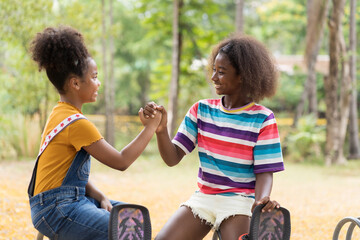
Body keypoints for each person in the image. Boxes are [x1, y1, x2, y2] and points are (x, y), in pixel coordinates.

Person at [144, 34, 285, 240]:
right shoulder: (201, 110)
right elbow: (172, 158)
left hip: (241, 200)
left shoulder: (263, 118)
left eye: (221, 72)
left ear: (243, 76)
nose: (213, 77)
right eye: (214, 70)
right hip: (204, 198)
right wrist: (161, 129)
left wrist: (262, 200)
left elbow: (265, 172)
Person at [27, 26, 161, 240]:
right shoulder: (76, 123)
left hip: (64, 202)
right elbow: (121, 161)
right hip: (57, 210)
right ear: (75, 83)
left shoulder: (59, 113)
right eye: (95, 77)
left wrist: (99, 196)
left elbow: (61, 175)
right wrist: (150, 128)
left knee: (135, 217)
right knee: (129, 230)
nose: (98, 83)